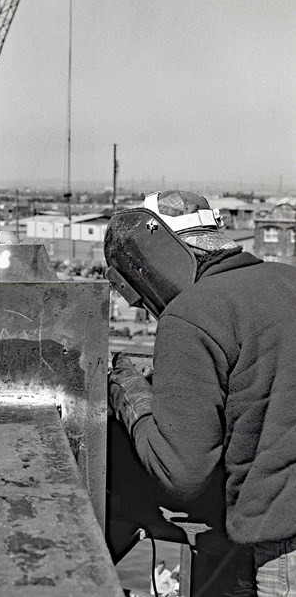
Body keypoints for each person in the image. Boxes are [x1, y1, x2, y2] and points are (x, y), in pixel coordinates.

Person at [105, 190, 296, 596]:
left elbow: (182, 473)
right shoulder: (288, 279)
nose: (145, 306)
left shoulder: (192, 314)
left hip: (287, 541)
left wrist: (130, 396)